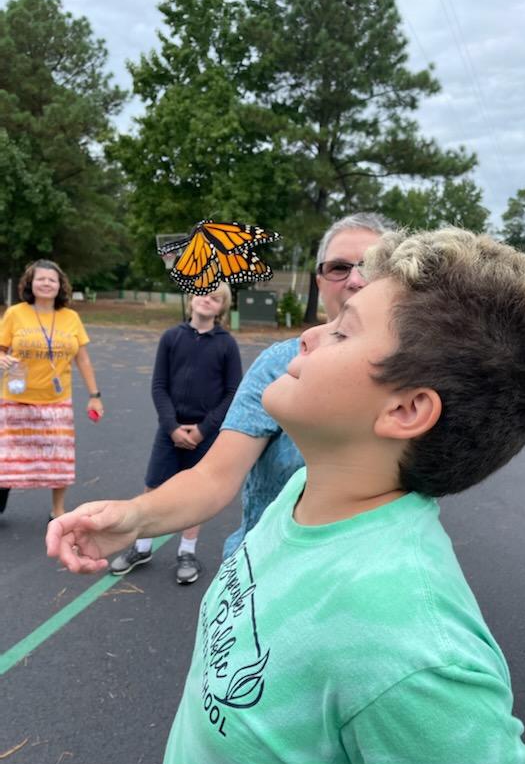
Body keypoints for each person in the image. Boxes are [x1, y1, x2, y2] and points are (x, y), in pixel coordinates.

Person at [48, 228, 525, 764]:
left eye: (342, 333)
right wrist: (134, 517)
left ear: (405, 410)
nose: (308, 335)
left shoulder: (412, 650)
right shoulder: (300, 494)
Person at [104, 212, 395, 574]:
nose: (354, 279)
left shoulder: (419, 379)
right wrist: (131, 517)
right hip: (264, 573)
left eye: (371, 265)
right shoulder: (279, 364)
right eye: (338, 267)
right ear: (319, 281)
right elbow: (214, 476)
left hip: (361, 580)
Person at [109, 284, 242, 584]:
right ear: (192, 297)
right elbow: (159, 385)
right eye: (203, 293)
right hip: (169, 429)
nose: (207, 299)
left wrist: (204, 429)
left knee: (193, 493)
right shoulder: (172, 337)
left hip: (204, 433)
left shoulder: (226, 345)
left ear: (222, 307)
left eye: (215, 297)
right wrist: (171, 426)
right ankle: (143, 547)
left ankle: (187, 550)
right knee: (153, 486)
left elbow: (233, 392)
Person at [0, 259, 103, 519]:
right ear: (30, 283)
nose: (46, 283)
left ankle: (57, 510)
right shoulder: (15, 313)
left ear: (60, 286)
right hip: (16, 399)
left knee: (60, 459)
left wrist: (94, 396)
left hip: (56, 400)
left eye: (52, 280)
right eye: (41, 279)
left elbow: (83, 359)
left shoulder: (71, 317)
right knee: (7, 458)